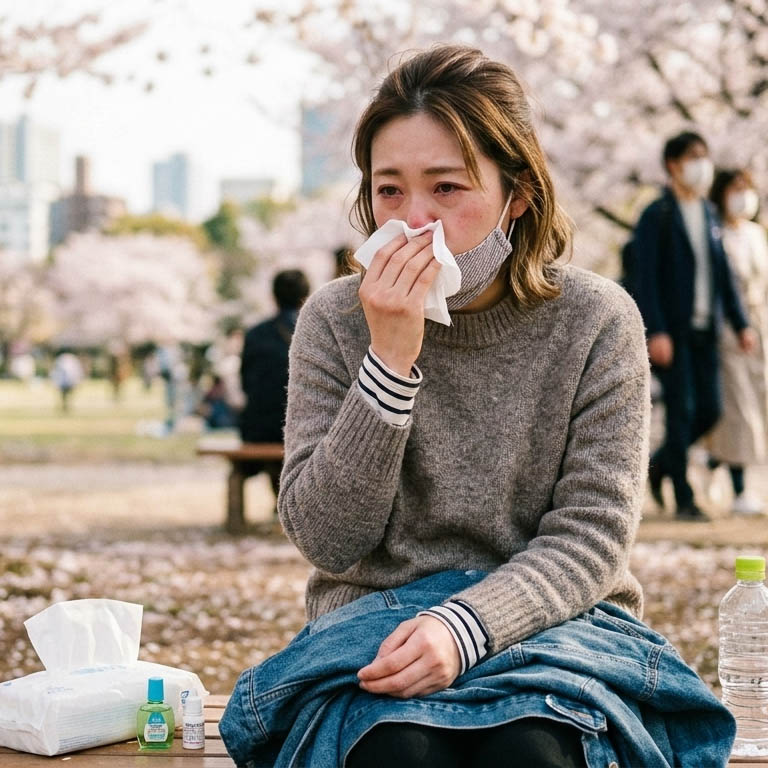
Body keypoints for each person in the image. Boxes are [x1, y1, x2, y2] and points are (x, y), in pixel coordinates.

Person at [226, 46, 735, 766]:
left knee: (534, 748)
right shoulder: (335, 320)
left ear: (517, 194)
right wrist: (390, 362)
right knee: (396, 749)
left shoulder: (595, 321)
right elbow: (327, 540)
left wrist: (465, 627)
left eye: (447, 189)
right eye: (390, 191)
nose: (412, 221)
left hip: (556, 624)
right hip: (375, 629)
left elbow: (591, 537)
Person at [633, 131, 755, 521]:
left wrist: (740, 323)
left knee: (711, 409)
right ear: (673, 164)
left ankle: (660, 463)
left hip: (709, 330)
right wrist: (656, 330)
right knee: (682, 412)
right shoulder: (658, 215)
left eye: (705, 156)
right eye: (693, 157)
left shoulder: (707, 213)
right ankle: (684, 497)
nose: (702, 164)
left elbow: (724, 276)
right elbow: (644, 277)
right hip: (675, 331)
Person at [706, 169, 768, 515]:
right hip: (730, 330)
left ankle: (712, 462)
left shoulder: (757, 235)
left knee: (757, 403)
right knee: (738, 407)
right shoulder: (716, 234)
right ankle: (740, 488)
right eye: (736, 189)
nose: (743, 196)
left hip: (759, 326)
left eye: (748, 188)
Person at [239, 269, 310, 497]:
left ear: (274, 296)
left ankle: (279, 495)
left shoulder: (254, 334)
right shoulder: (317, 331)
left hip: (259, 428)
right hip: (306, 426)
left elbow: (246, 384)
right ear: (307, 294)